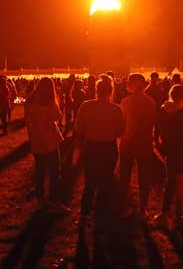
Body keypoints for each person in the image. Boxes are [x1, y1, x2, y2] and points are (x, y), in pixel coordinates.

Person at [75, 78, 124, 218]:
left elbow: (78, 128)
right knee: (106, 181)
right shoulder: (116, 109)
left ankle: (85, 212)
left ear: (97, 91)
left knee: (90, 181)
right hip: (108, 147)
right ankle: (101, 213)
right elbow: (121, 131)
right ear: (111, 91)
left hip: (91, 147)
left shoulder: (86, 106)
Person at [153, 84, 183, 232]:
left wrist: (161, 143)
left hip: (170, 150)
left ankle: (165, 213)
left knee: (170, 181)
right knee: (182, 183)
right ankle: (180, 215)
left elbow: (158, 129)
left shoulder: (163, 109)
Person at [25, 77, 69, 212]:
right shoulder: (48, 102)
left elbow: (28, 120)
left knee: (40, 170)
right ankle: (54, 201)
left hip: (36, 140)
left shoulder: (30, 100)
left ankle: (40, 197)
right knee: (55, 172)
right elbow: (57, 116)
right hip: (49, 141)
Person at [119, 73, 157, 218]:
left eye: (129, 81)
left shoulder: (127, 102)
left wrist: (125, 141)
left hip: (130, 144)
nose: (126, 83)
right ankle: (143, 208)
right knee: (144, 178)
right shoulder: (151, 101)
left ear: (134, 84)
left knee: (125, 177)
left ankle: (123, 206)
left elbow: (130, 125)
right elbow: (152, 122)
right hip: (145, 143)